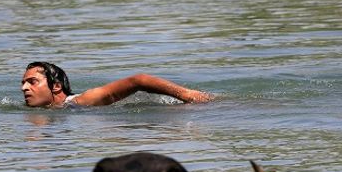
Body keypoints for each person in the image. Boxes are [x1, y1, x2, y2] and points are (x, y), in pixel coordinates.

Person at [20, 61, 213, 108]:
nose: (24, 88)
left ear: (56, 87)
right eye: (23, 83)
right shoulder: (56, 110)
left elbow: (139, 80)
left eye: (32, 82)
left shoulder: (81, 101)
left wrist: (188, 95)